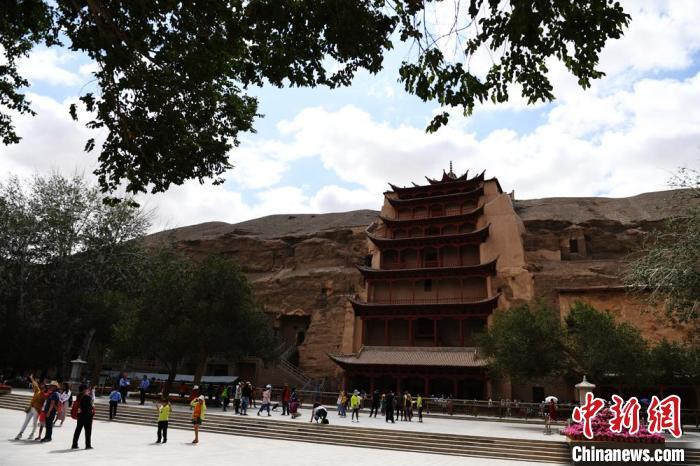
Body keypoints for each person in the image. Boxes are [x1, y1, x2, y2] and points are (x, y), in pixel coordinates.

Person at [15, 374, 44, 440]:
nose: (42, 386)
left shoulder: (45, 395)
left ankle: (32, 433)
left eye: (43, 386)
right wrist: (31, 378)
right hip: (31, 408)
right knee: (26, 421)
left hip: (37, 410)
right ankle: (20, 433)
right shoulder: (37, 391)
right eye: (41, 385)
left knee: (34, 422)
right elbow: (35, 384)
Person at [71, 384, 94, 450]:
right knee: (88, 431)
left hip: (80, 415)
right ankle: (88, 445)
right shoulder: (87, 397)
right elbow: (89, 408)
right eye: (87, 389)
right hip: (87, 416)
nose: (88, 390)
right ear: (84, 390)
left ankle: (74, 444)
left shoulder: (79, 396)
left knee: (78, 430)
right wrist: (92, 413)